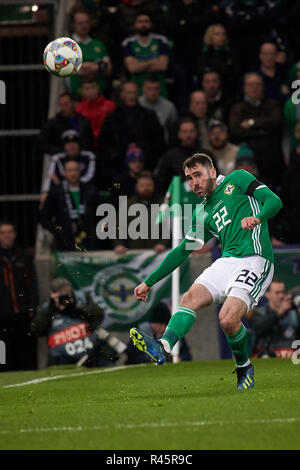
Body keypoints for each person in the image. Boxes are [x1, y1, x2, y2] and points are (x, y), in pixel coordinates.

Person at [129, 152, 283, 390]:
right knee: (189, 298)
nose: (194, 183)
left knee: (228, 319)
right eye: (189, 178)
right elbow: (182, 251)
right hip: (226, 261)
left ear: (212, 172)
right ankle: (163, 346)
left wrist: (258, 217)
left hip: (255, 259)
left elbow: (274, 201)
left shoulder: (239, 179)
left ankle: (244, 367)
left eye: (198, 175)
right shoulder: (202, 213)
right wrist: (149, 282)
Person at [31, 277, 126, 367]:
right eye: (56, 298)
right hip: (64, 358)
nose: (59, 301)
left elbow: (99, 315)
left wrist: (75, 309)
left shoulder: (83, 298)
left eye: (62, 297)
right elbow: (37, 330)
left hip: (93, 351)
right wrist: (50, 310)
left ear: (70, 292)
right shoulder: (46, 309)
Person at [98, 81, 165, 185]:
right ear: (122, 95)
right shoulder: (112, 118)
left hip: (146, 169)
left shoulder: (149, 116)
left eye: (134, 93)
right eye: (129, 93)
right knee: (117, 189)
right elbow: (104, 146)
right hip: (119, 170)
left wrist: (149, 168)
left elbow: (159, 144)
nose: (132, 96)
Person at [229, 72, 285, 190]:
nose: (254, 87)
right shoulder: (237, 109)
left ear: (263, 87)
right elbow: (235, 131)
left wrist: (251, 123)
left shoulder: (272, 104)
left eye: (257, 84)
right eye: (250, 84)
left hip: (272, 164)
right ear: (244, 88)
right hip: (248, 165)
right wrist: (263, 129)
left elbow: (277, 122)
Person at [0, 221, 38, 371]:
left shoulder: (24, 256)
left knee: (25, 352)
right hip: (2, 315)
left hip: (22, 313)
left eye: (9, 232)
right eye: (3, 232)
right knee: (4, 355)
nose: (6, 236)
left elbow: (32, 284)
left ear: (15, 234)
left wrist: (32, 306)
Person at [39, 160, 102, 251]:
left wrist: (96, 233)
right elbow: (44, 217)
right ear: (64, 173)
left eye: (76, 170)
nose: (73, 173)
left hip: (89, 241)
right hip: (66, 243)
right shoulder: (56, 192)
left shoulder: (90, 190)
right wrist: (58, 232)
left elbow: (100, 215)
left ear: (80, 172)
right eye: (70, 170)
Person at [113, 172, 168, 255]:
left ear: (154, 186)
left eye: (149, 185)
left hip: (157, 253)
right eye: (142, 185)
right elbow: (118, 227)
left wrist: (163, 243)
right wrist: (118, 245)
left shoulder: (163, 204)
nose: (146, 188)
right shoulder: (128, 205)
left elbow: (168, 227)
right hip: (132, 253)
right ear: (136, 187)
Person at [122, 12, 170, 98]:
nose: (143, 24)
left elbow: (163, 65)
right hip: (138, 90)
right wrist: (153, 61)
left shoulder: (161, 40)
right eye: (140, 21)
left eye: (146, 21)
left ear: (151, 24)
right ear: (135, 24)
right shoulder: (128, 43)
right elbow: (132, 68)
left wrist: (140, 64)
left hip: (159, 90)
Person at [154, 117, 208, 194]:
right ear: (179, 134)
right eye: (184, 132)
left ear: (196, 133)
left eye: (191, 131)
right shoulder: (170, 157)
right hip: (177, 200)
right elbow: (161, 183)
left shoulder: (206, 156)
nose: (188, 135)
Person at [249, 279, 300, 358]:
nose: (281, 295)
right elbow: (258, 329)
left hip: (290, 358)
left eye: (283, 292)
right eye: (277, 293)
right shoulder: (260, 313)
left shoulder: (293, 312)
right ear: (267, 294)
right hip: (265, 357)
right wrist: (279, 312)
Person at [69, 11, 112, 98]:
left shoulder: (98, 44)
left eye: (87, 22)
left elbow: (109, 69)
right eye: (80, 23)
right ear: (74, 25)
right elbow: (79, 71)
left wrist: (88, 66)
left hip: (101, 96)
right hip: (77, 97)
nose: (84, 26)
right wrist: (99, 67)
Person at [42, 129, 96, 194]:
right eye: (68, 144)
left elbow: (89, 177)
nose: (72, 146)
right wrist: (45, 192)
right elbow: (50, 178)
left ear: (79, 145)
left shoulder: (88, 156)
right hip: (62, 194)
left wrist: (61, 183)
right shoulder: (57, 158)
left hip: (85, 192)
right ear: (63, 146)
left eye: (74, 143)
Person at [75, 76, 116, 147]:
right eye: (87, 88)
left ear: (98, 88)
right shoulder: (79, 109)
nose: (91, 91)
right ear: (83, 91)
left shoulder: (110, 106)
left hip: (108, 144)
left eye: (93, 87)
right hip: (87, 145)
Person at [138, 73, 178, 145]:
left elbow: (173, 130)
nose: (153, 92)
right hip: (141, 146)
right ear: (143, 89)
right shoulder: (137, 104)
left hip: (162, 146)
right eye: (149, 89)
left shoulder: (169, 106)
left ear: (160, 89)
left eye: (156, 88)